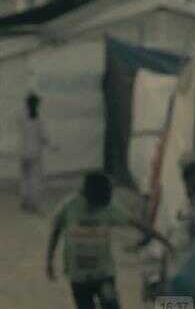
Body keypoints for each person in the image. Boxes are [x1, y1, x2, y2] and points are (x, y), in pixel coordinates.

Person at [46, 171, 174, 309]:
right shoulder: (69, 206)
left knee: (111, 305)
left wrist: (164, 241)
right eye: (96, 205)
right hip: (78, 276)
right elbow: (56, 230)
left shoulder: (109, 208)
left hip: (104, 275)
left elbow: (138, 224)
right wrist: (49, 260)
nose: (98, 208)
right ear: (86, 194)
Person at [19, 92, 53, 213]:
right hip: (35, 154)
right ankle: (34, 204)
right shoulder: (39, 119)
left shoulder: (23, 118)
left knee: (26, 178)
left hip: (24, 153)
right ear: (37, 104)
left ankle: (25, 201)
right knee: (35, 179)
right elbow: (43, 137)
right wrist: (51, 145)